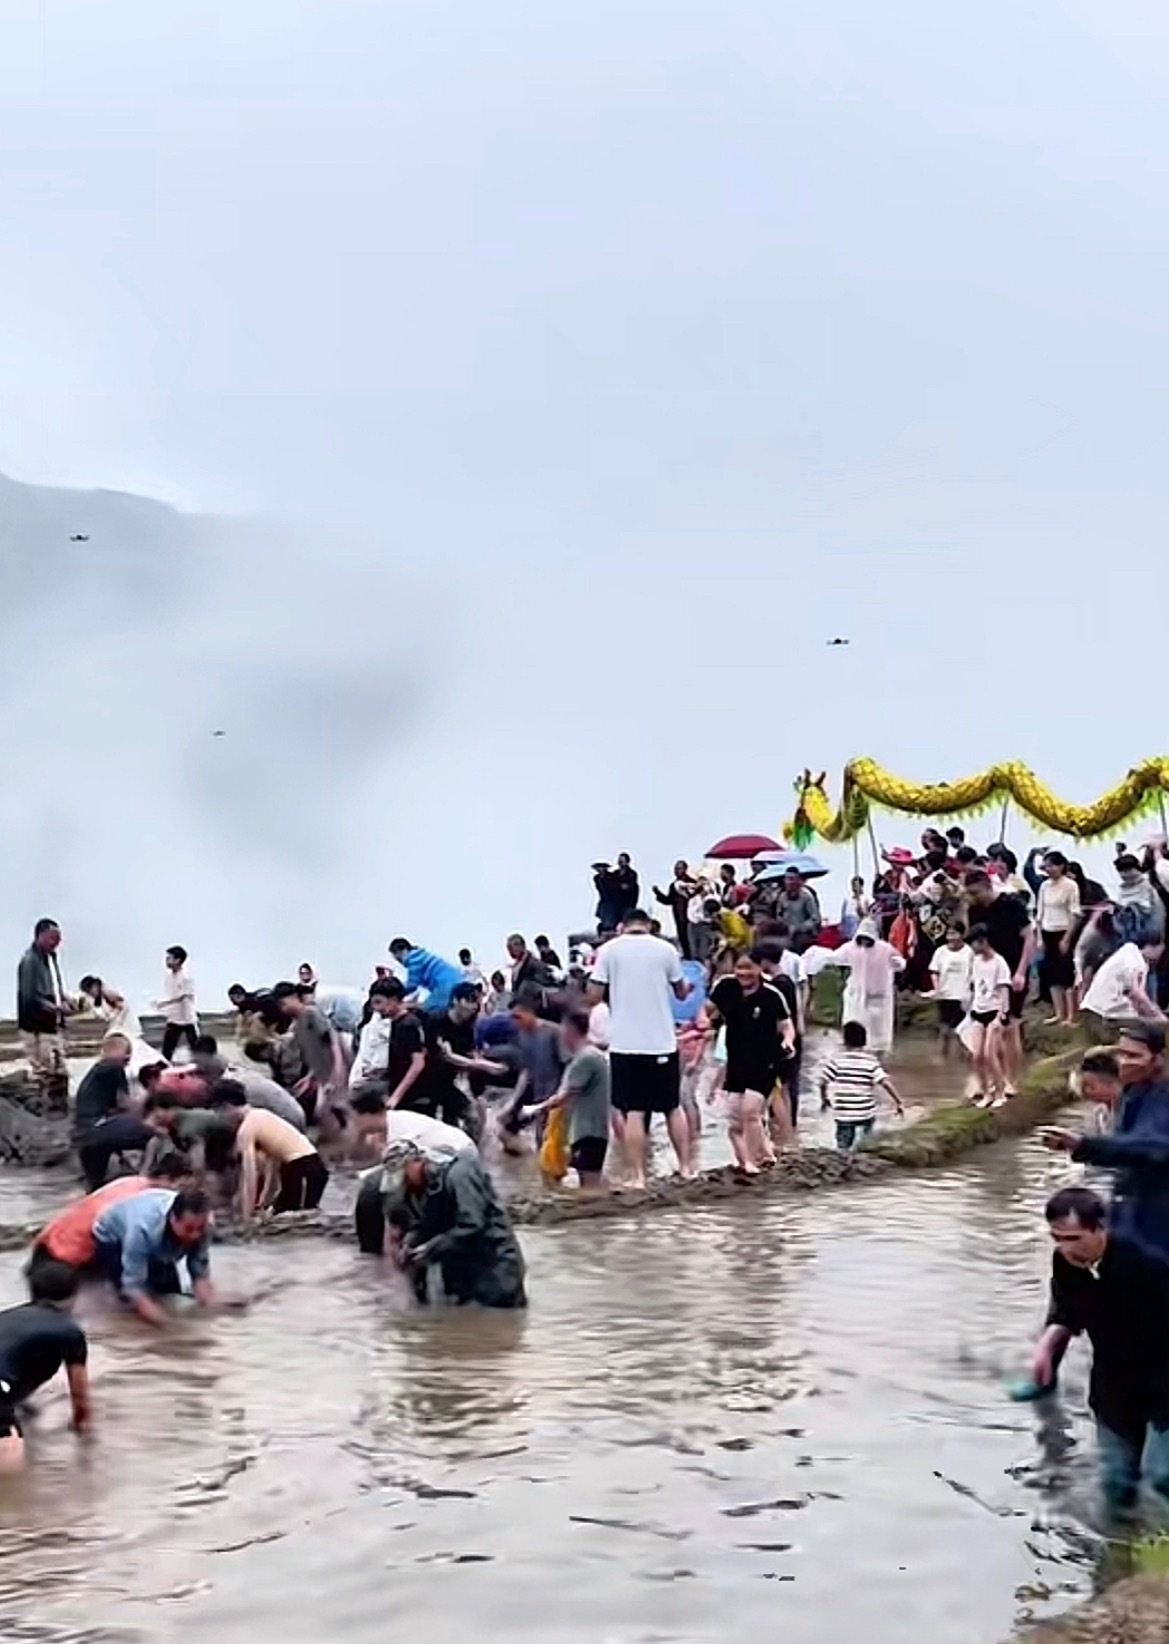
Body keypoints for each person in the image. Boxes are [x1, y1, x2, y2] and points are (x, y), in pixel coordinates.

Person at [1028, 1185, 1169, 1512]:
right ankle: (1118, 1541)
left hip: (1164, 1382)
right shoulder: (1065, 1263)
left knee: (1160, 1478)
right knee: (1115, 1480)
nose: (1065, 1247)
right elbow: (1067, 1310)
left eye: (1074, 1238)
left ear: (1100, 1228)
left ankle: (1159, 1540)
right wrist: (1046, 1347)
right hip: (1113, 1382)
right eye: (1057, 1238)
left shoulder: (1149, 1266)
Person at [1039, 1023, 1169, 1264]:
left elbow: (1150, 1147)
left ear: (1158, 1059)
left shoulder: (1162, 1098)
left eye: (1134, 1056)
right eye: (1121, 1054)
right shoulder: (1134, 1093)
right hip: (1134, 1205)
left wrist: (1083, 1146)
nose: (1125, 1062)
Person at [587, 909, 692, 1188]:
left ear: (622, 926)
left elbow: (594, 996)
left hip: (625, 1044)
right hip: (662, 1042)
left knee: (634, 1111)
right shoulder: (666, 950)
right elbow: (681, 992)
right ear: (648, 925)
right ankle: (685, 1168)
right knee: (672, 1107)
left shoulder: (608, 951)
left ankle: (637, 1176)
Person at [355, 1140, 527, 1308]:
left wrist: (430, 1248)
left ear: (417, 1162)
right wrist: (410, 1243)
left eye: (404, 1175)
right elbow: (427, 1225)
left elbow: (472, 1225)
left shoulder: (460, 1174)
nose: (404, 1183)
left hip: (496, 1264)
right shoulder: (425, 1189)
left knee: (496, 1320)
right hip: (464, 1272)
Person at [29, 1153, 191, 1276]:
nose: (178, 1195)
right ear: (164, 1178)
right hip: (68, 1256)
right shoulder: (143, 1203)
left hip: (49, 1241)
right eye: (180, 1187)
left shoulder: (130, 1181)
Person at [0, 1263, 90, 1473]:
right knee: (11, 1480)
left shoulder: (6, 1317)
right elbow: (80, 1398)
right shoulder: (70, 1332)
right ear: (74, 1297)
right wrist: (83, 1434)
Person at [709, 952, 794, 1174]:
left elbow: (786, 1025)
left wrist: (787, 1041)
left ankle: (752, 1162)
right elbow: (707, 1009)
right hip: (736, 1062)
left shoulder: (772, 995)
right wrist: (700, 1025)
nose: (743, 973)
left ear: (760, 968)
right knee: (735, 1121)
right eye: (739, 967)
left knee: (751, 1112)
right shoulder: (725, 987)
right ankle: (760, 1155)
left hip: (766, 1061)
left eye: (749, 968)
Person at [92, 1187, 224, 1324]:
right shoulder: (141, 1231)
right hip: (112, 1236)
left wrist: (209, 1306)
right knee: (130, 1304)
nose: (195, 1235)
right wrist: (164, 1323)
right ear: (173, 1218)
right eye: (189, 1229)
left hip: (158, 1233)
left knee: (171, 1295)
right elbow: (133, 1286)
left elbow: (199, 1271)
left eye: (200, 1228)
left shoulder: (205, 1225)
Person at [963, 870, 1035, 1097]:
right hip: (986, 973)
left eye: (975, 893)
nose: (973, 897)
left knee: (1009, 1027)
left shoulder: (1012, 904)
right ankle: (988, 1079)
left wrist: (1021, 972)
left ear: (987, 886)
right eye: (969, 893)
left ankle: (1012, 1080)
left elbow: (1029, 938)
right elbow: (973, 943)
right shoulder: (974, 910)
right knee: (983, 1028)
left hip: (1012, 970)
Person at [524, 1007, 611, 1190]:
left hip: (588, 1132)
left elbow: (563, 1097)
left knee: (589, 1187)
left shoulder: (585, 1059)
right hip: (592, 1131)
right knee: (591, 1182)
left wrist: (536, 1108)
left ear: (571, 1030)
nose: (561, 1035)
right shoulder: (592, 1056)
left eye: (563, 1029)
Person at [215, 1086, 329, 1217]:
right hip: (302, 1168)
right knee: (279, 1216)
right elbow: (273, 1166)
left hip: (303, 1168)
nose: (223, 1119)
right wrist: (263, 1202)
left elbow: (249, 1176)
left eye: (220, 1112)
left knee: (300, 1219)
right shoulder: (262, 1115)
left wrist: (247, 1217)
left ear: (226, 1107)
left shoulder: (246, 1130)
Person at [73, 1034, 155, 1191]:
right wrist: (152, 1096)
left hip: (83, 1134)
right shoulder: (113, 1068)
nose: (128, 1061)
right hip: (98, 1128)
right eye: (127, 1055)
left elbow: (114, 1108)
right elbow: (125, 1104)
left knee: (95, 1187)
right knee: (155, 1129)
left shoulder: (96, 1072)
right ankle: (147, 1176)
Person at [420, 983, 506, 1131]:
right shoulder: (436, 1020)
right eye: (470, 1000)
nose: (474, 1006)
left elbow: (470, 1055)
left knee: (471, 1117)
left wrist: (485, 1064)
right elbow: (447, 1056)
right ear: (455, 1000)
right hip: (427, 1081)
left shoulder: (468, 1026)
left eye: (477, 1002)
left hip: (449, 1080)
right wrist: (483, 1065)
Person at [817, 1020, 904, 1151]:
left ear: (844, 1041)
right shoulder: (871, 1062)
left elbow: (822, 1082)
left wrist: (824, 1099)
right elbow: (885, 1082)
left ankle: (844, 1158)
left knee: (843, 1148)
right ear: (865, 1041)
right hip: (865, 1113)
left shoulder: (836, 1061)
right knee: (865, 1146)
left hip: (844, 1114)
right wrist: (899, 1102)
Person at [273, 982, 349, 1130]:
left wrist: (338, 1067)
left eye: (283, 1003)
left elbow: (332, 1040)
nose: (283, 1008)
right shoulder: (296, 1025)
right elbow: (311, 1053)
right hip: (321, 1073)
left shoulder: (311, 1013)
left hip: (333, 1068)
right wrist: (309, 1077)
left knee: (339, 1107)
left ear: (294, 997)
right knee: (324, 1111)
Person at [823, 918, 905, 1055]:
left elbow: (900, 964)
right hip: (855, 994)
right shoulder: (850, 948)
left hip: (879, 996)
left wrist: (897, 963)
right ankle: (853, 1050)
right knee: (854, 1023)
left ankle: (878, 1053)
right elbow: (833, 958)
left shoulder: (885, 949)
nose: (865, 942)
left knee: (879, 1029)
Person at [16, 917, 71, 1110]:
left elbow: (54, 987)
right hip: (36, 1027)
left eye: (59, 939)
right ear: (40, 936)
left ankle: (59, 1108)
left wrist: (64, 999)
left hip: (52, 1024)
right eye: (52, 938)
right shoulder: (29, 961)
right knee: (43, 1070)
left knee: (59, 1068)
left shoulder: (51, 958)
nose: (56, 943)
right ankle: (41, 1109)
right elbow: (30, 997)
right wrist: (56, 1008)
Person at [966, 924, 1012, 1105]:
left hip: (994, 1012)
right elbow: (975, 987)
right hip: (978, 1010)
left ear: (983, 941)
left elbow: (1004, 990)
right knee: (977, 1055)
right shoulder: (976, 961)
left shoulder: (999, 962)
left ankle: (1000, 1093)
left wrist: (1001, 1015)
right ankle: (986, 1092)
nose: (972, 947)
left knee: (989, 1054)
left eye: (974, 943)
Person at [1035, 852, 1081, 1025]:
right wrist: (1039, 937)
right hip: (1047, 931)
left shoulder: (1070, 885)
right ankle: (1058, 1013)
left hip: (1063, 931)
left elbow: (1075, 913)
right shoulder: (1044, 886)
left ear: (1061, 866)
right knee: (1051, 974)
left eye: (1051, 865)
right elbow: (1040, 913)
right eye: (1046, 866)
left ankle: (1071, 1015)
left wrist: (1067, 938)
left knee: (1065, 973)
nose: (1048, 869)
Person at [1080, 935, 1166, 1026]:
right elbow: (1137, 993)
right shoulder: (1139, 963)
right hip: (1105, 1010)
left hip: (1091, 1005)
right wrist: (1157, 1013)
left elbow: (1134, 995)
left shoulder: (1129, 949)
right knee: (1153, 1025)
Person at [928, 924, 973, 1058]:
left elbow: (974, 972)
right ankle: (943, 1058)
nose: (951, 937)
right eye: (949, 934)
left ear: (962, 935)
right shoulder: (940, 952)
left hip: (963, 996)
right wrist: (937, 988)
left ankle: (964, 1058)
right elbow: (934, 971)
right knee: (944, 1030)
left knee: (962, 1031)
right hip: (945, 995)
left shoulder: (969, 952)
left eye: (954, 934)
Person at [388, 939, 467, 1014]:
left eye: (398, 958)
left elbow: (412, 985)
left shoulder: (414, 960)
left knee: (431, 1010)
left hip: (445, 983)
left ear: (404, 950)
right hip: (454, 979)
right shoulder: (420, 955)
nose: (399, 961)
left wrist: (395, 995)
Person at [157, 946, 199, 1062]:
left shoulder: (186, 977)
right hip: (174, 1018)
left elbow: (183, 996)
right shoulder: (169, 977)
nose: (166, 961)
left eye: (169, 958)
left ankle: (204, 1067)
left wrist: (164, 1003)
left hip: (187, 1018)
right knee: (167, 1050)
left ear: (178, 960)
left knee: (196, 1050)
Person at [653, 860, 698, 957]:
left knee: (689, 936)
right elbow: (669, 900)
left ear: (685, 869)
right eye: (675, 869)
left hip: (689, 914)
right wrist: (658, 893)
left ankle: (691, 955)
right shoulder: (673, 885)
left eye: (679, 868)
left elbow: (694, 895)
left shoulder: (691, 882)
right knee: (681, 935)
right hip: (678, 913)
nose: (677, 871)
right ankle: (686, 954)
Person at [777, 869, 822, 949]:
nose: (790, 882)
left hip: (803, 934)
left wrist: (799, 928)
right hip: (787, 934)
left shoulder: (806, 896)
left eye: (792, 879)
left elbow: (815, 918)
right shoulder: (782, 897)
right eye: (788, 879)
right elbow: (779, 915)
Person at [839, 876, 872, 941]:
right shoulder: (847, 900)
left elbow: (868, 916)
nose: (854, 888)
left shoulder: (866, 899)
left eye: (856, 885)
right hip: (848, 929)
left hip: (860, 928)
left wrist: (861, 911)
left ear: (861, 886)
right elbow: (843, 915)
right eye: (853, 885)